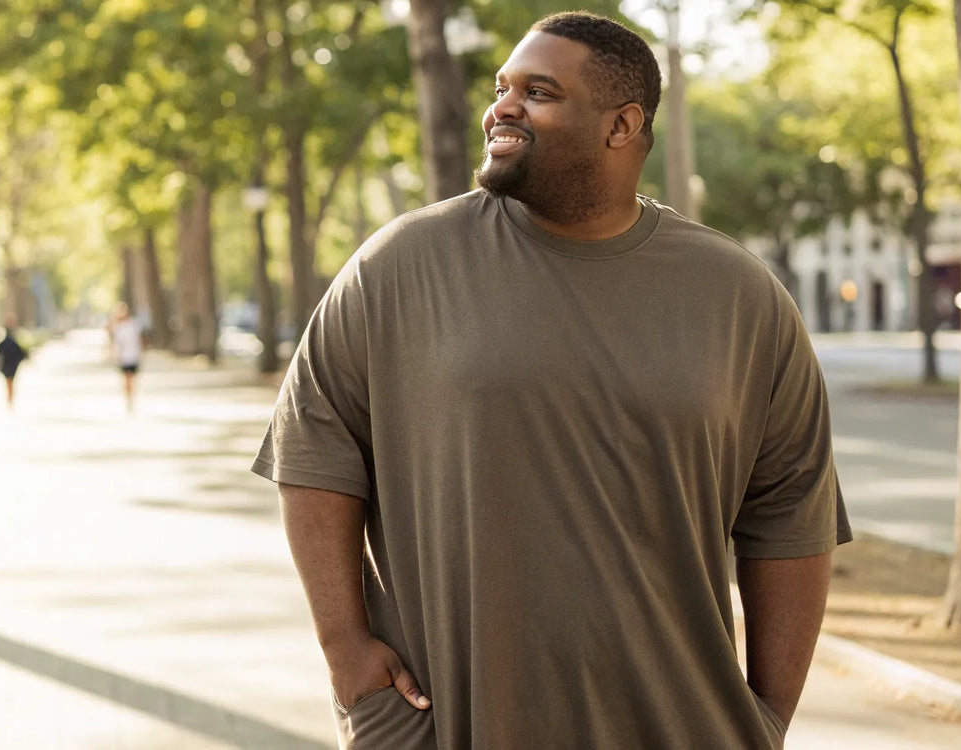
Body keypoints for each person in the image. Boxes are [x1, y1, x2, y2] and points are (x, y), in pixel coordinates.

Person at [251, 11, 851, 750]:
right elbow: (312, 447)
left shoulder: (740, 296)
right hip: (444, 725)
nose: (501, 106)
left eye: (538, 91)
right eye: (502, 86)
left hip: (680, 726)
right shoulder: (401, 266)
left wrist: (766, 716)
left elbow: (791, 509)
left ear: (621, 125)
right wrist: (345, 648)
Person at [108, 302, 143, 412]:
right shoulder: (118, 327)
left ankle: (131, 398)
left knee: (132, 380)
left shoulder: (133, 325)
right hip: (124, 357)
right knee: (127, 379)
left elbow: (139, 340)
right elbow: (114, 342)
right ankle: (129, 399)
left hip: (133, 356)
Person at [0, 313, 27, 409]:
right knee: (9, 383)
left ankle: (10, 399)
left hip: (9, 365)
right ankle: (9, 399)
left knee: (9, 383)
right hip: (9, 365)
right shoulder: (8, 342)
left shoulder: (9, 342)